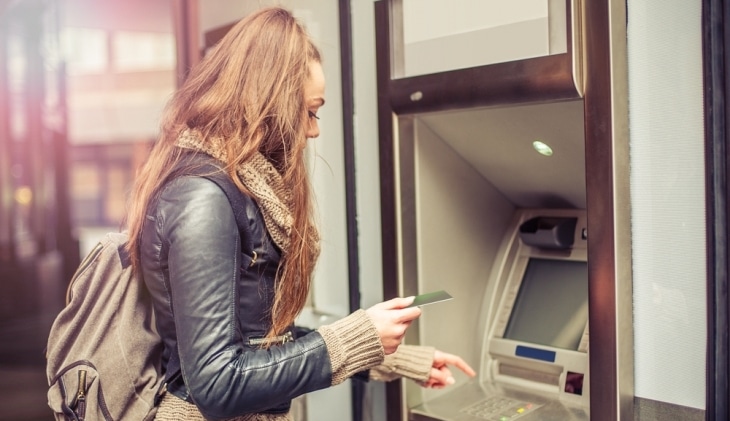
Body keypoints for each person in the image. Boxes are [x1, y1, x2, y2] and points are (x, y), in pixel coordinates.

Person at [124, 7, 474, 421]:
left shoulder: (232, 188)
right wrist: (356, 336)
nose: (314, 130)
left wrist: (387, 356)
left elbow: (261, 344)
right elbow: (217, 383)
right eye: (310, 111)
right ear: (269, 103)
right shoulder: (204, 198)